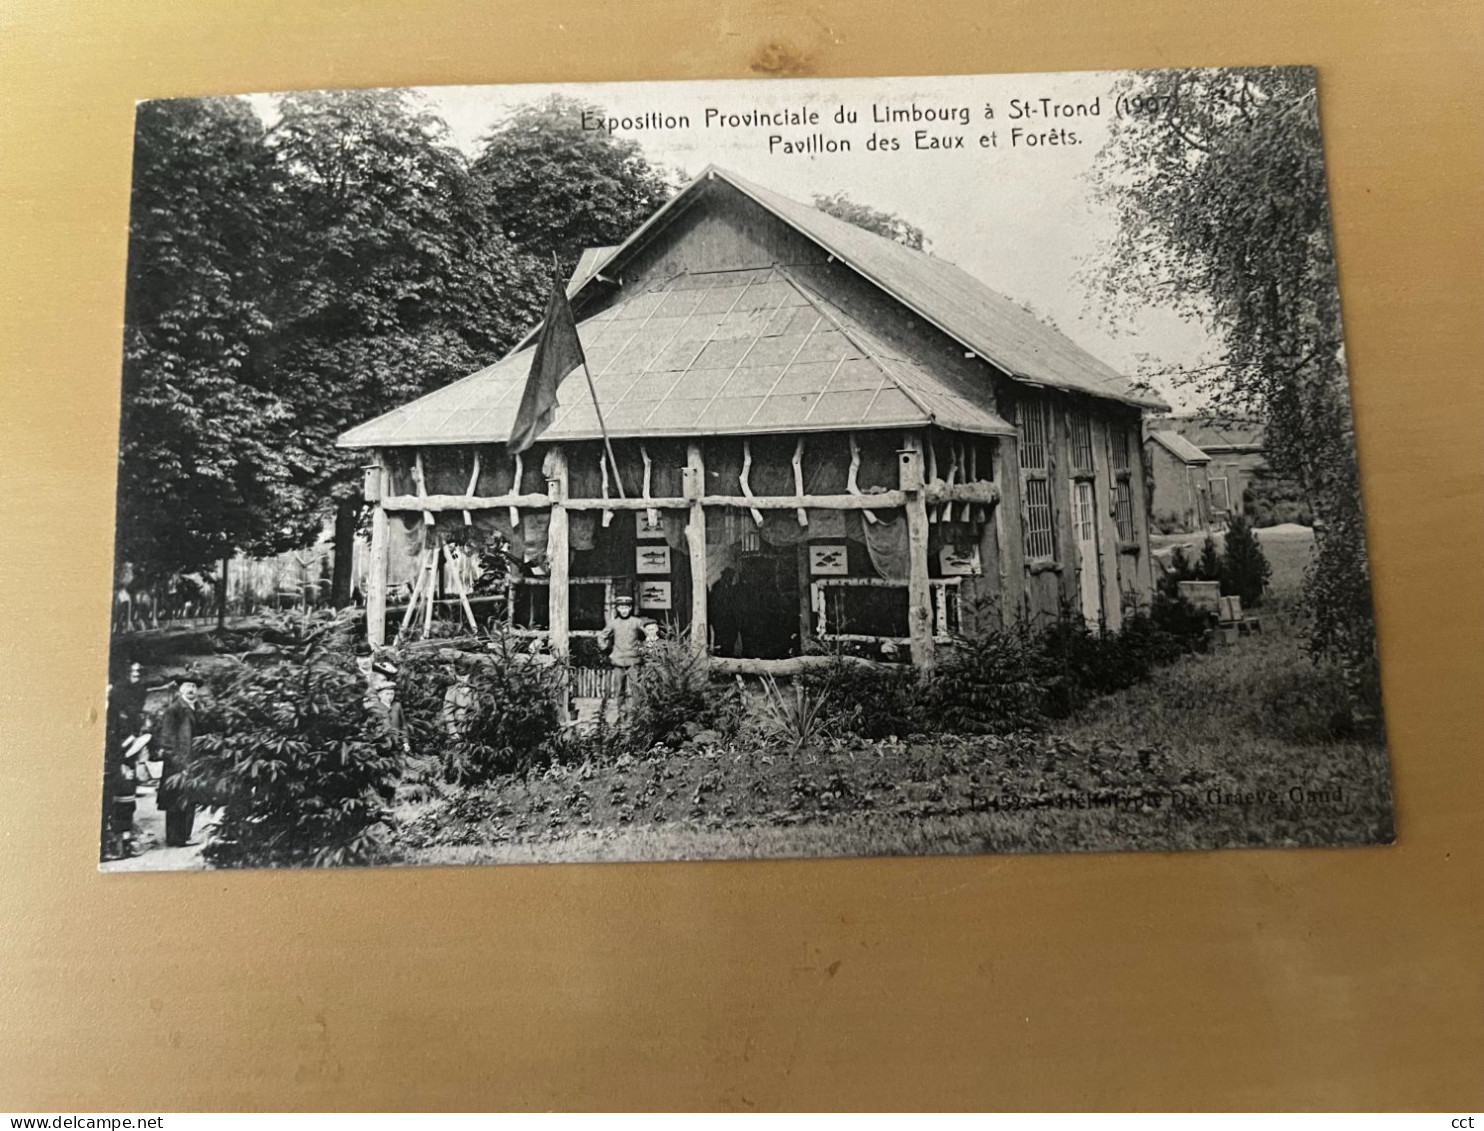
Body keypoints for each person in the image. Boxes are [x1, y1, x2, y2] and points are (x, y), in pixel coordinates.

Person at [157, 671, 202, 848]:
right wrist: (178, 762)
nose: (191, 689)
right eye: (187, 686)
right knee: (175, 801)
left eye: (193, 686)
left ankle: (184, 835)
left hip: (194, 761)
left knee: (190, 799)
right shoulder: (174, 709)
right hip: (177, 763)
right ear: (180, 689)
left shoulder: (198, 708)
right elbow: (167, 741)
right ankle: (175, 838)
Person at [597, 594, 648, 723]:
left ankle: (634, 718)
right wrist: (607, 649)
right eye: (621, 607)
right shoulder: (614, 623)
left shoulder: (636, 622)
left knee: (634, 691)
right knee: (619, 691)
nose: (624, 610)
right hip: (618, 661)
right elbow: (602, 636)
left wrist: (645, 649)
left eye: (626, 607)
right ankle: (622, 717)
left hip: (633, 661)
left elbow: (650, 634)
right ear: (617, 609)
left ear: (630, 608)